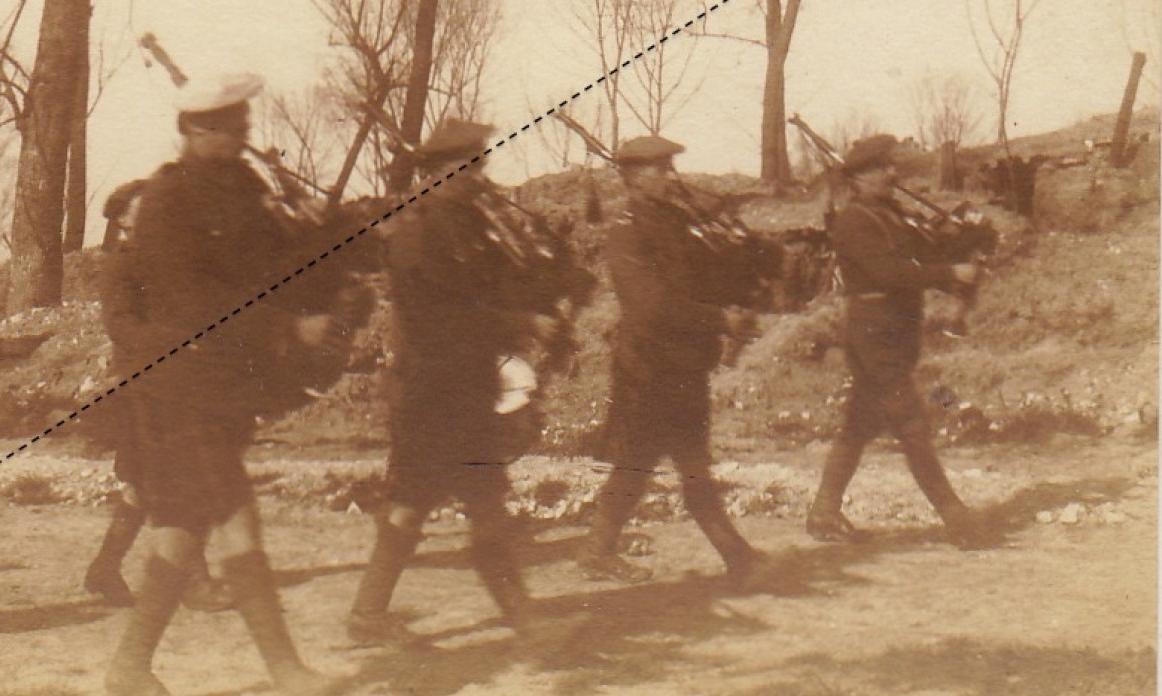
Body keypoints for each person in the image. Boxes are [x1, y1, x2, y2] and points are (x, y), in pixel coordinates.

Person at [102, 72, 338, 696]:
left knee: (180, 528)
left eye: (243, 125)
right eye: (230, 127)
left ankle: (128, 668)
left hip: (223, 386)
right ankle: (287, 673)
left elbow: (273, 265)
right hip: (179, 386)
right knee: (234, 513)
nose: (243, 136)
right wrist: (284, 324)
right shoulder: (166, 202)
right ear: (194, 130)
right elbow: (193, 302)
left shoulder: (242, 187)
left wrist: (331, 233)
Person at [346, 119, 553, 647]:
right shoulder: (417, 229)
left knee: (478, 502)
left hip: (466, 386)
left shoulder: (468, 223)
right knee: (420, 503)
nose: (480, 174)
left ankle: (523, 618)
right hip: (430, 390)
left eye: (481, 162)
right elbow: (435, 317)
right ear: (441, 170)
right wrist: (518, 322)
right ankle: (521, 619)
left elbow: (491, 289)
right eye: (471, 165)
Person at [579, 136, 768, 590]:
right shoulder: (625, 230)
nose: (669, 176)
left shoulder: (676, 222)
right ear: (632, 176)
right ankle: (735, 554)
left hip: (681, 364)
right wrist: (719, 317)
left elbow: (703, 276)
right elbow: (651, 306)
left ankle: (599, 551)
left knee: (650, 464)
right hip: (648, 368)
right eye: (659, 170)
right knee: (674, 463)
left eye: (669, 168)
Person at [805, 134, 989, 548]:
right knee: (912, 425)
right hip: (874, 334)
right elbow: (888, 272)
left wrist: (966, 236)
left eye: (891, 166)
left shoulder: (891, 214)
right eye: (882, 168)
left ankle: (823, 512)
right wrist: (948, 275)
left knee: (859, 425)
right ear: (859, 178)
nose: (893, 173)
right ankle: (957, 519)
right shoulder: (854, 220)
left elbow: (924, 251)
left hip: (896, 330)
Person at [82, 180, 232, 615]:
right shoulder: (119, 268)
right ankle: (194, 583)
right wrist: (175, 341)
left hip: (173, 385)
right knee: (174, 480)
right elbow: (120, 327)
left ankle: (105, 569)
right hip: (141, 388)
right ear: (123, 220)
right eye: (143, 209)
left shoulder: (167, 264)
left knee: (147, 486)